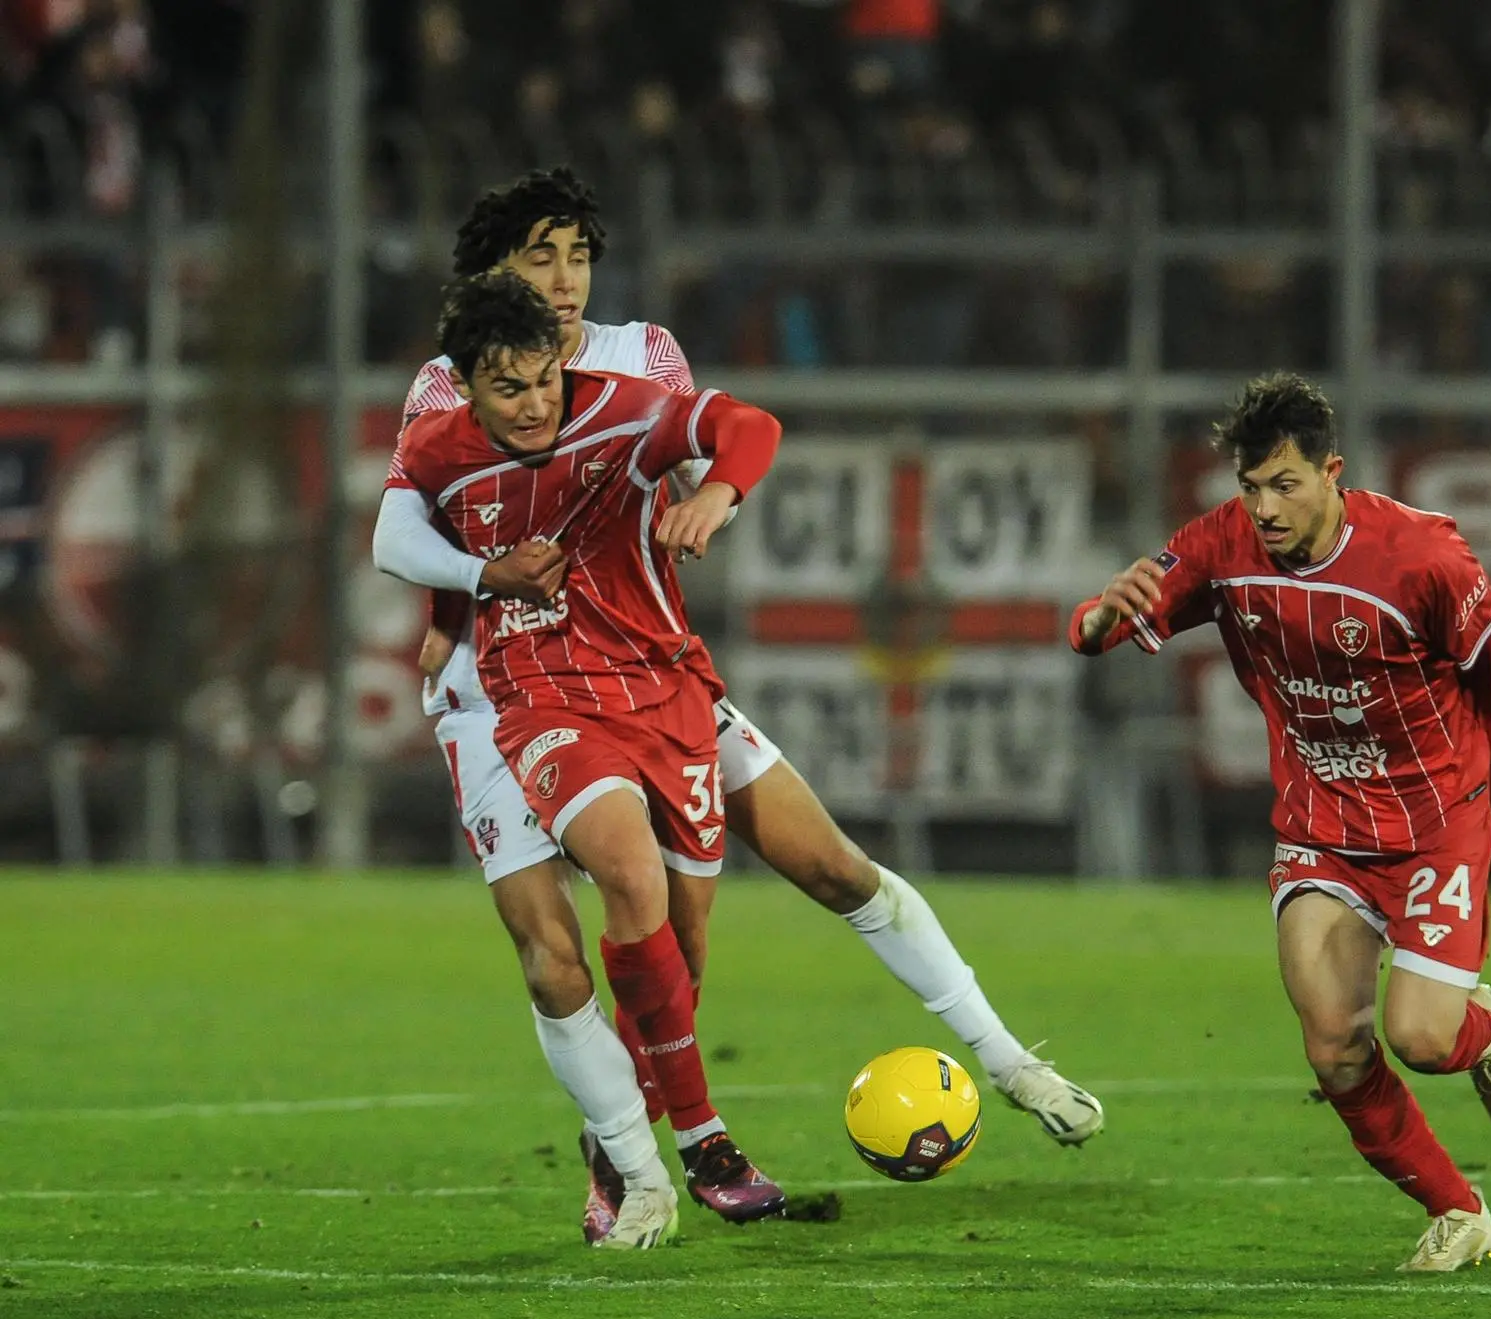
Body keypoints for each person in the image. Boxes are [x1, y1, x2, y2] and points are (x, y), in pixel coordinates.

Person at [377, 166, 1103, 1239]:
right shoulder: (449, 388)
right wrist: (465, 596)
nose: (565, 280)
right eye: (541, 257)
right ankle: (640, 1158)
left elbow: (683, 454)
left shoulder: (640, 360)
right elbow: (423, 521)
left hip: (648, 668)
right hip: (502, 686)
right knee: (556, 943)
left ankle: (1006, 1061)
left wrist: (705, 496)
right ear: (494, 279)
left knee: (785, 885)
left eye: (578, 256)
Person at [1069, 372, 1491, 1272]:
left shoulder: (1421, 556)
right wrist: (1100, 615)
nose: (1266, 508)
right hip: (1321, 825)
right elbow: (1100, 631)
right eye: (1251, 487)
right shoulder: (1221, 544)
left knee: (1422, 1038)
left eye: (1285, 485)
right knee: (1333, 1044)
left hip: (1437, 816)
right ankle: (1458, 1210)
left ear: (1333, 474)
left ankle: (1481, 1033)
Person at [387, 270, 789, 1247]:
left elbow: (750, 427)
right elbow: (393, 537)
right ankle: (701, 1141)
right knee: (626, 871)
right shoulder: (437, 445)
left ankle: (622, 1147)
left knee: (679, 948)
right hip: (543, 702)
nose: (532, 406)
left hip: (663, 692)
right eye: (507, 389)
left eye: (542, 383)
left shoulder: (627, 412)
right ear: (465, 389)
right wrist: (485, 575)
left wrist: (721, 495)